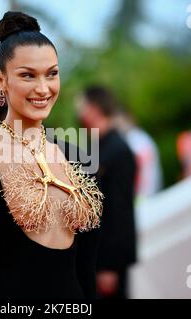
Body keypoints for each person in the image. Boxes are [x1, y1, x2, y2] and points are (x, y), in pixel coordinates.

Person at [0, 11, 104, 299]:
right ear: (1, 81)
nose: (43, 88)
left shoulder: (78, 157)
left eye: (52, 73)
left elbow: (86, 269)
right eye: (28, 75)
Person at [77, 86, 137, 299]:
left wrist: (109, 266)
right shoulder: (98, 147)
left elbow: (118, 212)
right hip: (97, 258)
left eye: (81, 105)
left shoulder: (117, 150)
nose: (79, 111)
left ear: (94, 109)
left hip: (109, 263)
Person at [114, 107, 163, 199]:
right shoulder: (141, 137)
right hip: (151, 193)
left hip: (145, 194)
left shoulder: (134, 139)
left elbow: (143, 169)